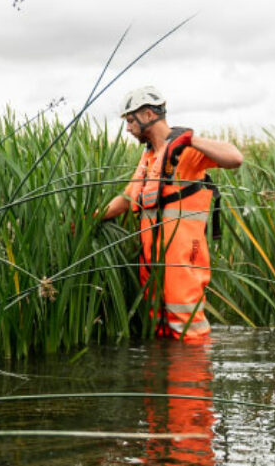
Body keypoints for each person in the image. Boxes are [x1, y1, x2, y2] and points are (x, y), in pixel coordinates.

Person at [101, 86, 243, 339]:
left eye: (130, 120)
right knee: (161, 323)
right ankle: (167, 373)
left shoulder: (185, 150)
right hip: (154, 257)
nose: (128, 128)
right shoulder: (148, 158)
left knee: (187, 324)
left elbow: (234, 158)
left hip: (183, 256)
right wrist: (88, 219)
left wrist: (189, 139)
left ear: (147, 115)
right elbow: (126, 199)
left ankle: (192, 374)